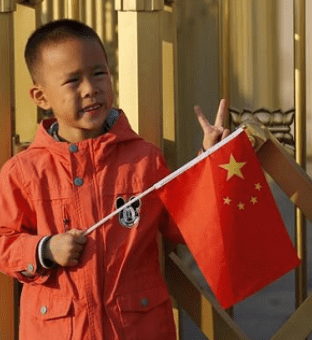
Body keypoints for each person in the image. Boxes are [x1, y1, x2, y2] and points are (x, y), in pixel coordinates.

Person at [0, 19, 229, 339]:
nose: (90, 88)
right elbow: (3, 240)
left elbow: (183, 226)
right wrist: (45, 248)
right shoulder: (24, 171)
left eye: (98, 73)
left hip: (137, 328)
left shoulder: (144, 159)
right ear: (41, 97)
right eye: (72, 80)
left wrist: (209, 161)